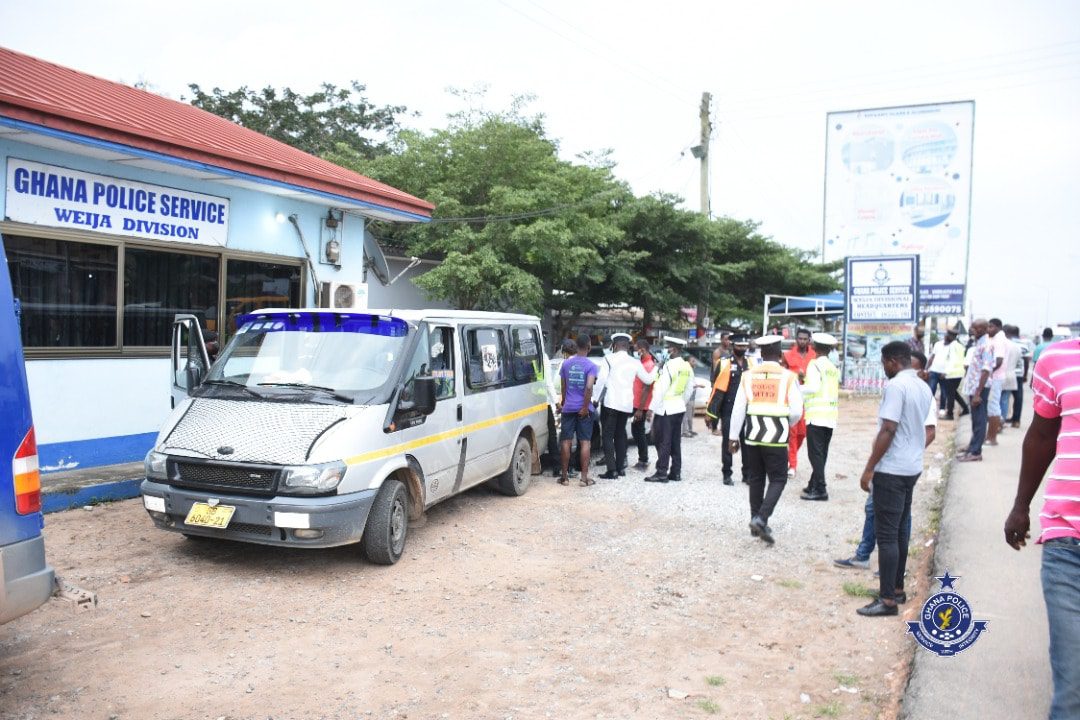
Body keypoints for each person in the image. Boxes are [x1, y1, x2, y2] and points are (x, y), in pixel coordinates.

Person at [1004, 335, 1080, 720]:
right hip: (1067, 543)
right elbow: (1041, 436)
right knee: (1072, 683)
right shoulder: (1058, 358)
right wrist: (1021, 506)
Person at [835, 350, 936, 570]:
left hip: (895, 467)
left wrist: (872, 467)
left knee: (894, 527)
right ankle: (865, 556)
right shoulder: (909, 388)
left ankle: (889, 573)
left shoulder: (909, 389)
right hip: (895, 463)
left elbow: (898, 429)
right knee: (875, 511)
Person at [854, 341, 933, 617]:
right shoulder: (923, 386)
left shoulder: (896, 386)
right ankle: (897, 588)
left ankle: (887, 600)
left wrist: (869, 468)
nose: (883, 369)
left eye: (883, 364)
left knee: (886, 535)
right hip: (911, 467)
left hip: (892, 469)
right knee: (899, 531)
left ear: (891, 361)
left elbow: (888, 428)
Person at [728, 335, 803, 544]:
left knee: (756, 478)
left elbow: (738, 408)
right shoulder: (788, 377)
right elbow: (797, 411)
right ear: (780, 354)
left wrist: (733, 437)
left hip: (752, 435)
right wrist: (784, 422)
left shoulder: (748, 376)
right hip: (776, 437)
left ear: (761, 353)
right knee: (778, 478)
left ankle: (756, 522)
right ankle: (761, 518)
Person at [599, 333, 657, 479]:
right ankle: (620, 469)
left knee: (607, 436)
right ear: (627, 346)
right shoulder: (634, 362)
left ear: (615, 345)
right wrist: (656, 367)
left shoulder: (608, 359)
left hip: (611, 403)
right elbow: (648, 380)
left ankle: (611, 470)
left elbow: (601, 381)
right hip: (626, 405)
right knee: (620, 435)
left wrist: (595, 399)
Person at [645, 337, 694, 483]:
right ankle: (675, 472)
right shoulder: (686, 366)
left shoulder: (669, 366)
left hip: (665, 409)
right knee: (675, 441)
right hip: (678, 408)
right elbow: (689, 389)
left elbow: (661, 389)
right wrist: (681, 403)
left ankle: (661, 472)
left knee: (662, 441)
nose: (666, 350)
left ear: (674, 350)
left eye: (668, 347)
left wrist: (651, 408)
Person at [706, 333, 752, 485]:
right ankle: (727, 473)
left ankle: (747, 474)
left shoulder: (751, 363)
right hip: (728, 409)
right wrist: (710, 411)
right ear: (733, 346)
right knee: (728, 441)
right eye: (739, 346)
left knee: (747, 443)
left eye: (744, 346)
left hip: (746, 409)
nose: (742, 349)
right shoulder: (724, 363)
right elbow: (716, 388)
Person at [800, 332, 840, 501]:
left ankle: (821, 489)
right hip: (830, 415)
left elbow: (813, 387)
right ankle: (813, 484)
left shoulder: (814, 364)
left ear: (814, 347)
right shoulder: (832, 367)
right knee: (821, 453)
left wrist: (796, 388)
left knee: (814, 454)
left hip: (816, 415)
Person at [558, 334, 598, 487]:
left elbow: (563, 386)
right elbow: (589, 387)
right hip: (584, 410)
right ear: (589, 347)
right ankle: (583, 479)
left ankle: (564, 478)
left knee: (566, 441)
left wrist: (564, 403)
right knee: (585, 442)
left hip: (568, 408)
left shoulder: (566, 364)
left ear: (576, 346)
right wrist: (585, 407)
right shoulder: (591, 366)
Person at [958, 319, 995, 463]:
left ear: (983, 329)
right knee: (975, 420)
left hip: (979, 389)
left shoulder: (986, 345)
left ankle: (976, 452)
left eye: (975, 327)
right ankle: (972, 448)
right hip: (973, 387)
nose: (972, 329)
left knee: (979, 421)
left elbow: (986, 370)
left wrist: (978, 394)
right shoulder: (979, 343)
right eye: (972, 327)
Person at [782, 328, 816, 478]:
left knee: (803, 433)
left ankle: (790, 457)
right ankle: (792, 465)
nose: (802, 341)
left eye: (805, 339)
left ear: (809, 340)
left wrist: (805, 377)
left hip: (809, 399)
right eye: (800, 338)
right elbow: (783, 375)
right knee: (793, 433)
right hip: (793, 397)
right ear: (796, 339)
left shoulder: (815, 356)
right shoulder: (787, 355)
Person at [928, 327, 967, 420]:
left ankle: (950, 414)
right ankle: (965, 409)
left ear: (951, 336)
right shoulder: (959, 345)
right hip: (958, 373)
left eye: (947, 335)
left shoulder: (952, 346)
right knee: (953, 393)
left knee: (950, 395)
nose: (945, 336)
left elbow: (953, 360)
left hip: (952, 373)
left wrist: (946, 372)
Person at [631, 338, 658, 470]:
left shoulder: (648, 365)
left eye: (636, 349)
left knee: (638, 432)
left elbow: (647, 388)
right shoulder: (642, 363)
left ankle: (643, 460)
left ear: (642, 350)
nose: (635, 352)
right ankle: (643, 459)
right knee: (636, 431)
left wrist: (640, 409)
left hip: (641, 405)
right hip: (637, 403)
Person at [985, 318, 1009, 446]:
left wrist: (987, 371)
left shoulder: (999, 339)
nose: (988, 329)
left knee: (993, 406)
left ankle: (992, 438)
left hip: (995, 377)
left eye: (991, 327)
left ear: (998, 327)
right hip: (995, 377)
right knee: (992, 405)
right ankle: (990, 435)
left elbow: (998, 361)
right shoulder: (996, 338)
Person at [682, 355, 699, 438]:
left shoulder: (690, 370)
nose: (695, 363)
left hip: (692, 394)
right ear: (687, 362)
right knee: (686, 415)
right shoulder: (687, 370)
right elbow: (688, 384)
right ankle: (685, 431)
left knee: (690, 414)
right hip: (688, 395)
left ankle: (690, 429)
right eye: (693, 361)